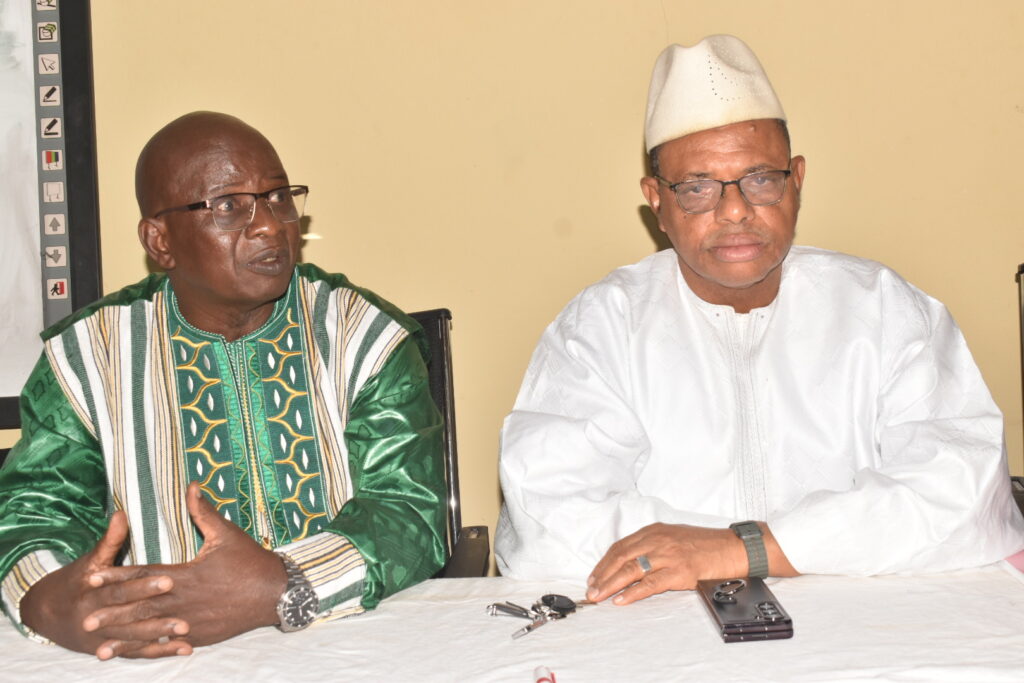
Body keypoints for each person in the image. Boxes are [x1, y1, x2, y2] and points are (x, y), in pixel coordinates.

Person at [496, 35, 1024, 606]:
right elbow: (546, 522)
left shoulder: (883, 308)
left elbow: (964, 490)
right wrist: (825, 539)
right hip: (663, 626)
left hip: (863, 618)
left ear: (796, 180)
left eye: (761, 179)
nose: (734, 210)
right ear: (657, 200)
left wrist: (740, 550)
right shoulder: (601, 326)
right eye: (697, 187)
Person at [0, 112, 446, 658]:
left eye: (278, 198)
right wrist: (50, 601)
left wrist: (280, 584)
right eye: (229, 206)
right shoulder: (86, 358)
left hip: (347, 642)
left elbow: (407, 509)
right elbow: (36, 511)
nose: (270, 226)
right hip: (164, 656)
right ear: (159, 240)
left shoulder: (364, 336)